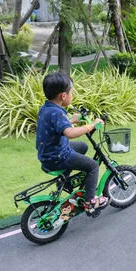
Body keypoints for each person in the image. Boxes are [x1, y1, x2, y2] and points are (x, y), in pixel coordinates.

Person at [36, 71, 108, 216]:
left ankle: (65, 180)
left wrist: (72, 119)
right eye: (71, 93)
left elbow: (55, 125)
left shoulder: (47, 109)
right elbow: (70, 133)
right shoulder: (58, 113)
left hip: (48, 153)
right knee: (93, 166)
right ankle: (90, 202)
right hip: (59, 156)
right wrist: (92, 125)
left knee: (83, 146)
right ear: (63, 96)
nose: (72, 96)